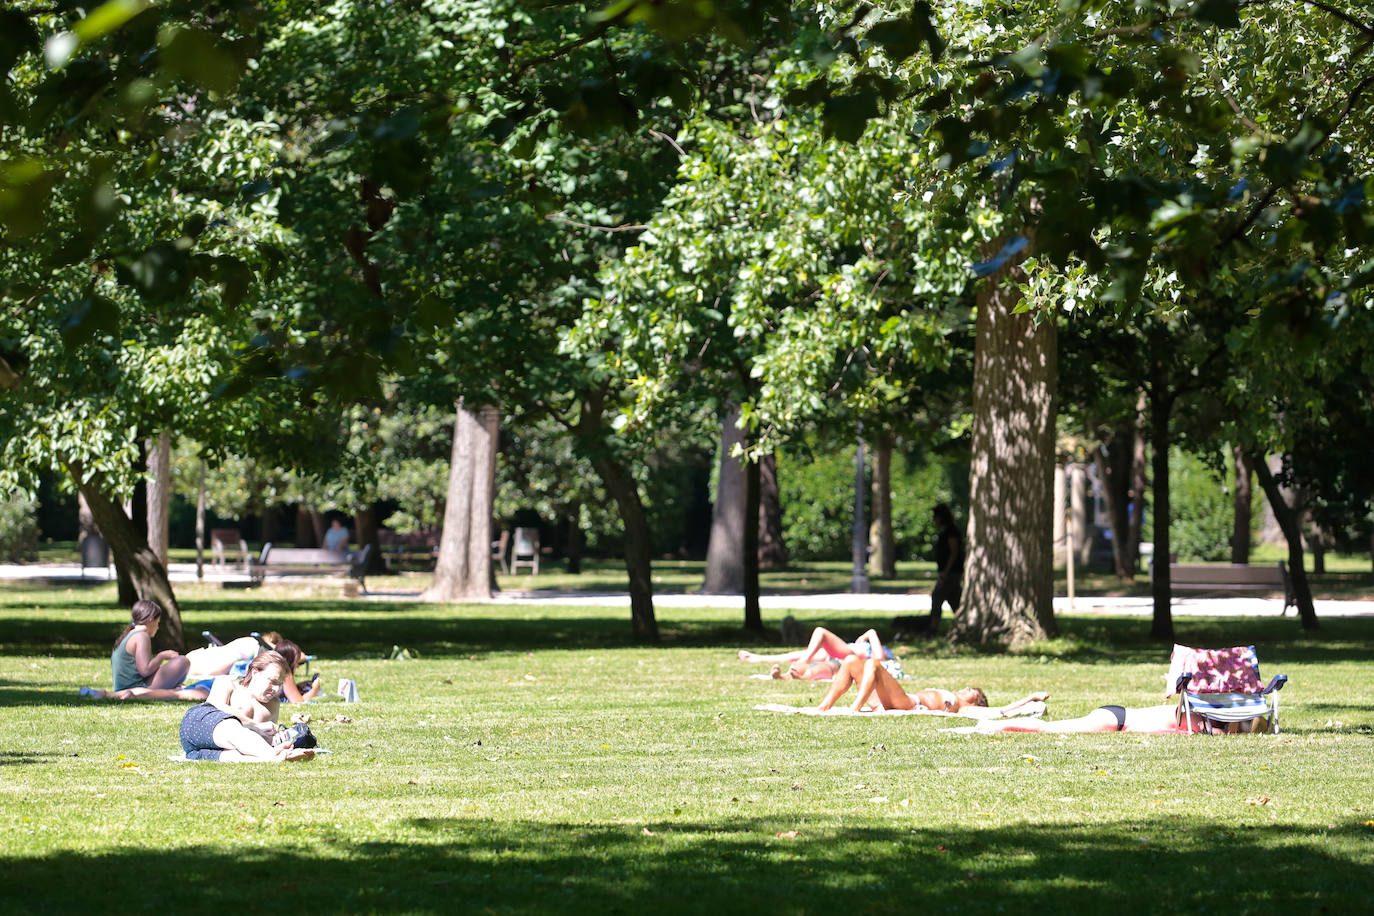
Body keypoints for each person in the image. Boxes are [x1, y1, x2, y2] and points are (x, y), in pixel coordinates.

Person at [178, 651, 315, 761]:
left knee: (238, 755)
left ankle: (272, 755)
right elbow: (215, 707)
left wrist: (275, 739)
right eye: (272, 681)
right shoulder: (227, 683)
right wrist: (254, 725)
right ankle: (274, 756)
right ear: (255, 672)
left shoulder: (273, 705)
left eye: (279, 684)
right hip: (199, 726)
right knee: (231, 726)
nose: (275, 689)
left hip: (212, 748)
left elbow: (257, 740)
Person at [815, 654, 1048, 718]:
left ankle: (855, 707)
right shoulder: (958, 700)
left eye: (971, 692)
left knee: (874, 665)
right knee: (851, 661)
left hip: (907, 704)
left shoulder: (964, 709)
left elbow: (1001, 710)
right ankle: (825, 705)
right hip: (891, 701)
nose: (966, 689)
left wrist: (1031, 698)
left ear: (976, 701)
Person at [80, 600, 204, 700]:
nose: (158, 627)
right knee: (182, 661)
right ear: (151, 620)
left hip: (125, 686)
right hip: (137, 688)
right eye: (157, 622)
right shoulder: (141, 636)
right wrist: (161, 656)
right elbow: (145, 670)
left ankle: (174, 686)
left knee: (176, 665)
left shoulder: (130, 634)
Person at [185, 631, 322, 703]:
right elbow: (297, 701)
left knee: (179, 692)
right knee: (177, 694)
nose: (297, 666)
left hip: (218, 684)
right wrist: (314, 689)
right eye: (297, 663)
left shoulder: (269, 666)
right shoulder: (283, 672)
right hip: (223, 689)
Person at [969, 702, 1262, 734]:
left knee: (1053, 728)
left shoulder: (1195, 711)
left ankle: (995, 726)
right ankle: (993, 725)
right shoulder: (1199, 725)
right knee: (1048, 729)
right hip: (1116, 721)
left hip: (1118, 715)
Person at [738, 626, 890, 680]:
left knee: (820, 632)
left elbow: (879, 656)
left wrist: (867, 636)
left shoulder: (873, 652)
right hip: (840, 655)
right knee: (794, 655)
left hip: (850, 655)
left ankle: (801, 663)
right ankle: (757, 658)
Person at [925, 503, 964, 636]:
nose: (934, 519)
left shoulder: (952, 532)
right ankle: (962, 625)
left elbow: (954, 552)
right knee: (954, 599)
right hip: (950, 572)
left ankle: (933, 628)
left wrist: (946, 571)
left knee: (937, 596)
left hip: (951, 572)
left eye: (935, 517)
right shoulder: (947, 531)